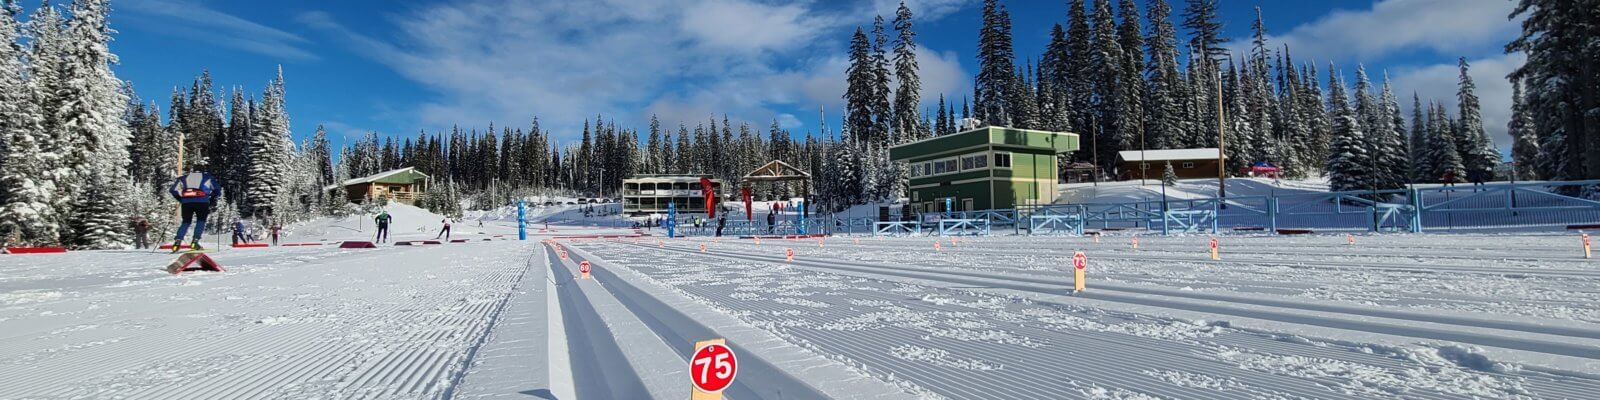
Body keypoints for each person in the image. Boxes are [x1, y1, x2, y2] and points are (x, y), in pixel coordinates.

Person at [168, 170, 219, 252]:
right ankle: (195, 241)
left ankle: (177, 241)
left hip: (186, 203)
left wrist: (181, 199)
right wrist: (212, 199)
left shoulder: (183, 178)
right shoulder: (207, 177)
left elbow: (173, 190)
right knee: (201, 221)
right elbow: (216, 190)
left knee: (186, 222)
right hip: (202, 202)